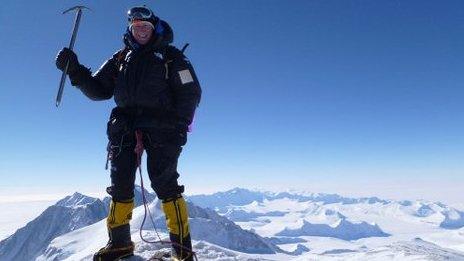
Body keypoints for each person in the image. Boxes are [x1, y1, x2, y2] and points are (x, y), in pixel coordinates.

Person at [55, 6, 201, 261]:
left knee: (166, 185)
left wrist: (180, 127)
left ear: (154, 27)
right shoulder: (121, 57)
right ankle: (119, 244)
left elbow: (190, 93)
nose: (141, 30)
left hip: (163, 129)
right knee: (121, 186)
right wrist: (75, 70)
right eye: (136, 26)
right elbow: (99, 90)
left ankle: (183, 250)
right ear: (130, 28)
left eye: (145, 26)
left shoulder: (171, 56)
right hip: (124, 128)